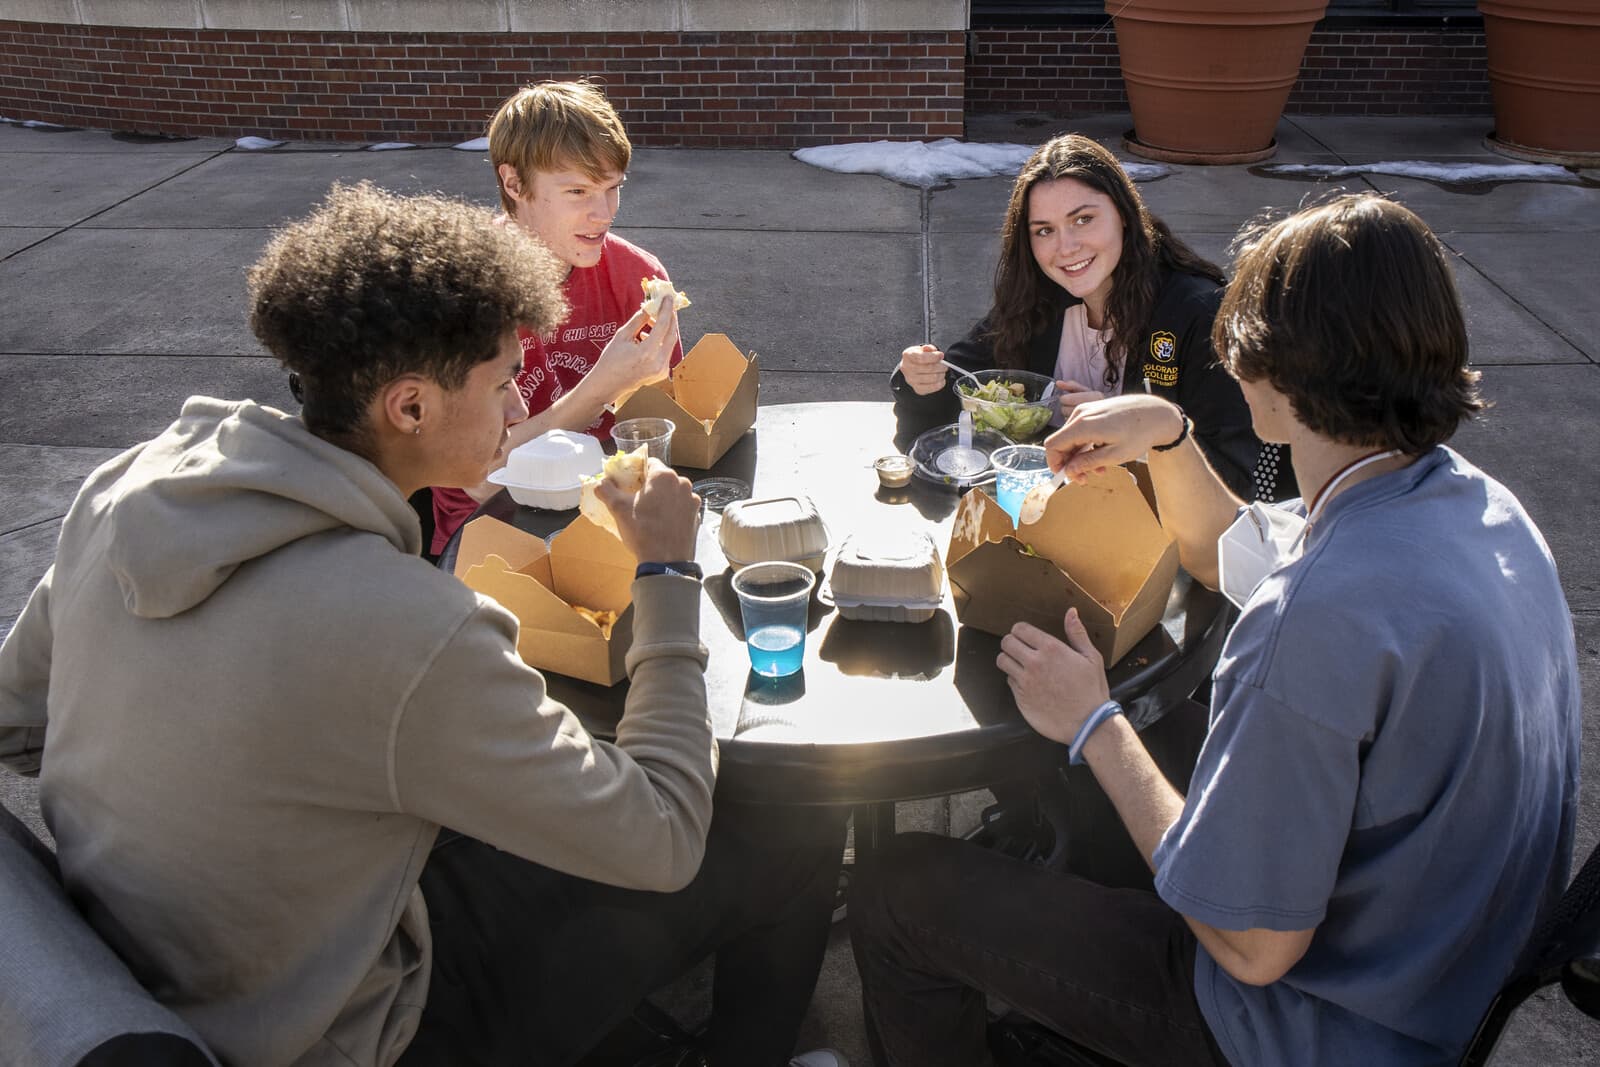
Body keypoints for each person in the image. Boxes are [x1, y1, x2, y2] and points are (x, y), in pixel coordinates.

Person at [0, 182, 844, 1067]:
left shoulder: (123, 491)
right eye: (507, 381)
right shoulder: (413, 627)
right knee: (793, 823)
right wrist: (667, 569)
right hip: (356, 1026)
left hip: (137, 965)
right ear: (409, 407)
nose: (521, 409)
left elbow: (21, 722)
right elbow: (663, 833)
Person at [851, 193, 1580, 1066]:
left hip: (1302, 1026)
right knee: (1133, 782)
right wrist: (1169, 433)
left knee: (899, 893)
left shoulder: (1314, 617)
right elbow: (1235, 549)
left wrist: (1093, 720)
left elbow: (1252, 944)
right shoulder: (1482, 511)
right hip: (1438, 964)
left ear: (1270, 373)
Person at [892, 132, 1292, 503]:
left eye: (1083, 219)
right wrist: (922, 381)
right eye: (1044, 230)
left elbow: (1241, 477)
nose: (1066, 247)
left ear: (1124, 214)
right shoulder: (1037, 299)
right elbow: (960, 398)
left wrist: (1134, 436)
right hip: (1055, 525)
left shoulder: (1198, 313)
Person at [429, 80, 686, 556]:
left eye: (612, 189)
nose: (603, 213)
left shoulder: (639, 276)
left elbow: (661, 433)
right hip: (495, 534)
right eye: (577, 191)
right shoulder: (463, 290)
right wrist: (601, 387)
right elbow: (478, 479)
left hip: (610, 520)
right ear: (513, 183)